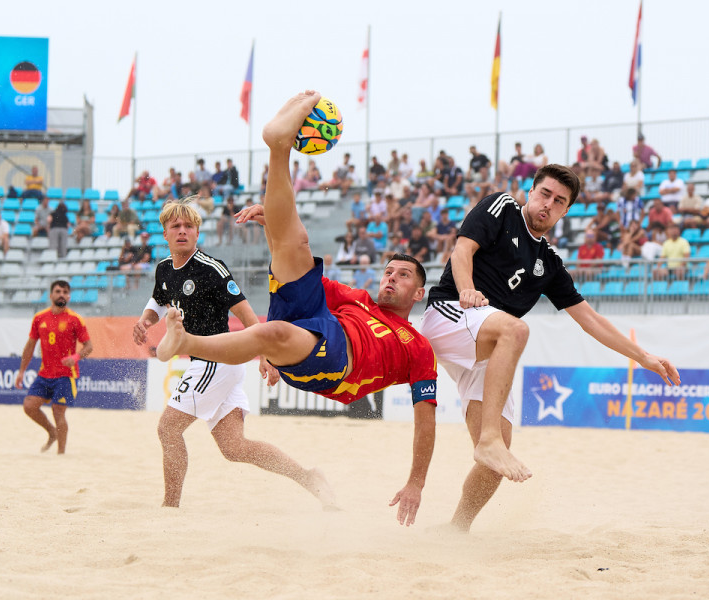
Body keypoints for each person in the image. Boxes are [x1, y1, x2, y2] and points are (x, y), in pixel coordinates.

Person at [156, 91, 439, 526]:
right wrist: (276, 225)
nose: (390, 278)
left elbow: (424, 420)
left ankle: (185, 342)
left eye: (403, 276)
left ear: (418, 293)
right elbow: (293, 262)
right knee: (294, 244)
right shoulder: (359, 299)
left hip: (338, 365)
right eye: (388, 271)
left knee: (272, 334)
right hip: (324, 322)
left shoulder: (418, 346)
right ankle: (278, 148)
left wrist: (416, 481)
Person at [420, 163, 680, 532]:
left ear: (566, 211)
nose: (548, 204)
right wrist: (466, 289)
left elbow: (590, 319)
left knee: (496, 461)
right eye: (544, 194)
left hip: (488, 344)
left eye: (559, 201)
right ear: (531, 191)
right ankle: (489, 439)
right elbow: (462, 251)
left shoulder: (549, 263)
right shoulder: (501, 208)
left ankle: (456, 529)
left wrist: (644, 357)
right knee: (517, 331)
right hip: (451, 312)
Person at [129, 200, 336, 509]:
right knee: (234, 448)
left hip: (218, 360)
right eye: (176, 227)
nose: (182, 231)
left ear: (198, 232)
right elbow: (158, 300)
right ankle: (309, 477)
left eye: (188, 226)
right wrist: (145, 320)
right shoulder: (163, 269)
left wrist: (265, 354)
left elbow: (245, 311)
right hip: (209, 364)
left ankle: (169, 508)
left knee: (167, 428)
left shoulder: (211, 268)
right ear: (165, 234)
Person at [16, 280, 93, 455]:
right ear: (51, 295)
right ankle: (51, 432)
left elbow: (89, 346)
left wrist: (76, 356)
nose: (62, 294)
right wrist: (22, 371)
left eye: (65, 292)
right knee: (29, 406)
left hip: (66, 375)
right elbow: (29, 346)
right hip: (45, 374)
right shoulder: (39, 318)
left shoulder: (75, 319)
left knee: (58, 411)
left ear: (69, 296)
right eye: (58, 291)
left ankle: (61, 454)